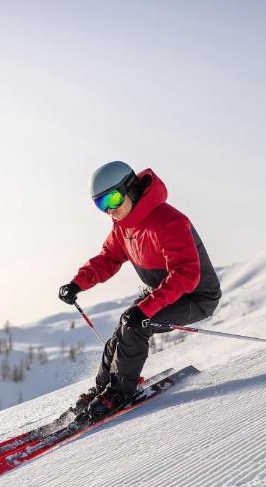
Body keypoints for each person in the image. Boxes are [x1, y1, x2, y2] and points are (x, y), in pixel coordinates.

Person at [59, 161, 221, 419]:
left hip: (196, 296)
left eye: (113, 198)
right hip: (164, 292)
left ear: (131, 188)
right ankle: (104, 387)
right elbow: (109, 258)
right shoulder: (123, 226)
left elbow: (186, 274)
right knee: (124, 326)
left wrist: (145, 309)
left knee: (135, 325)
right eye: (101, 204)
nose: (110, 209)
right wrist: (78, 283)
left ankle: (120, 392)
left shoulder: (169, 222)